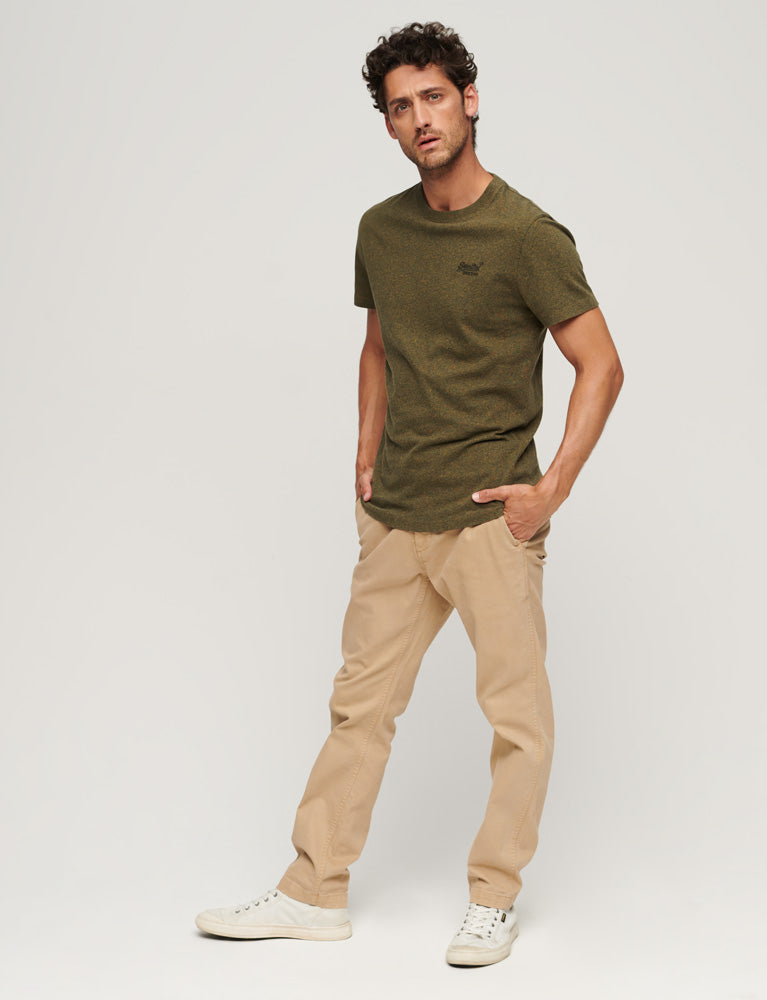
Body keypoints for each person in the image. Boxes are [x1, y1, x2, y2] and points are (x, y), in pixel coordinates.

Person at [195, 21, 623, 967]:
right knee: (359, 709)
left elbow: (601, 364)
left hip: (489, 522)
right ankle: (314, 891)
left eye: (433, 97)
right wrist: (364, 454)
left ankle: (494, 898)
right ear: (388, 125)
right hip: (395, 518)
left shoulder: (527, 234)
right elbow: (379, 346)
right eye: (400, 106)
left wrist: (548, 492)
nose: (420, 118)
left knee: (518, 720)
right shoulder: (380, 230)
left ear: (469, 101)